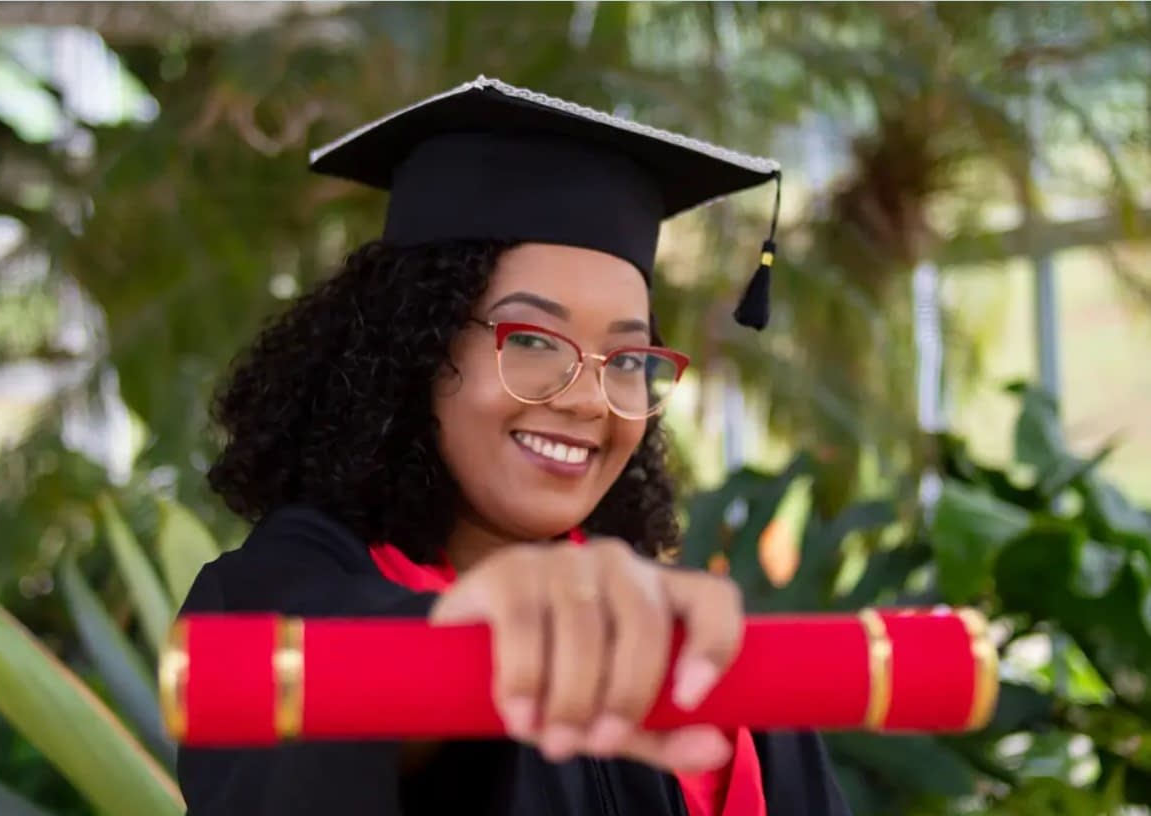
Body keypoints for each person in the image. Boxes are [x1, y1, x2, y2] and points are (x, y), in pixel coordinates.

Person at [175, 76, 852, 816]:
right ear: (415, 349)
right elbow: (320, 716)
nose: (588, 397)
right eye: (529, 340)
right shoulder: (267, 599)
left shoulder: (689, 651)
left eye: (625, 359)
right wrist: (468, 651)